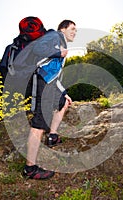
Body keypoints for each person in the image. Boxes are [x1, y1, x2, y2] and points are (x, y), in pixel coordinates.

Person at [23, 20, 77, 180]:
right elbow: (38, 49)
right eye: (73, 29)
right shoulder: (55, 35)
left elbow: (53, 73)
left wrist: (63, 93)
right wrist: (58, 53)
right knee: (38, 125)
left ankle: (52, 136)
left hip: (49, 83)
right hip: (41, 82)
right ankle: (29, 168)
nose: (75, 32)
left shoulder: (61, 43)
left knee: (64, 103)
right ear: (63, 28)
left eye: (76, 30)